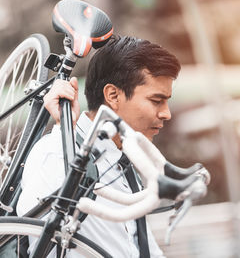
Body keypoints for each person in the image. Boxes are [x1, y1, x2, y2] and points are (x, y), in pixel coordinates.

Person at [16, 35, 181, 257]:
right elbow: (43, 239)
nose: (166, 113)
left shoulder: (120, 162)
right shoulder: (54, 154)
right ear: (113, 95)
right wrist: (64, 126)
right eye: (156, 100)